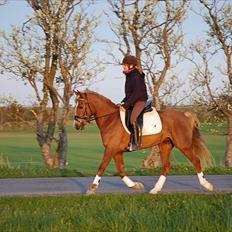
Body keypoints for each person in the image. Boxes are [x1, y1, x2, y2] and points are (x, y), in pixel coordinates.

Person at [119, 55, 148, 151]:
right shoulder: (129, 75)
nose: (123, 66)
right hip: (133, 100)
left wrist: (126, 105)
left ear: (131, 66)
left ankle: (136, 143)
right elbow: (129, 94)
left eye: (124, 65)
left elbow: (137, 93)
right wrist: (123, 102)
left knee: (132, 119)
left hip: (140, 100)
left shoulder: (135, 76)